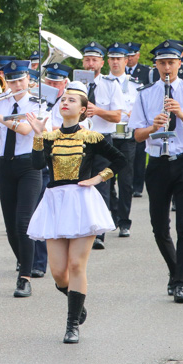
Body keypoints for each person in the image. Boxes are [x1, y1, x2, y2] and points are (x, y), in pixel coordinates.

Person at [26, 81, 126, 343]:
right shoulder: (49, 137)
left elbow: (121, 160)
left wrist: (99, 178)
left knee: (76, 265)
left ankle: (72, 325)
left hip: (82, 202)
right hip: (55, 202)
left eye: (72, 100)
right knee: (58, 273)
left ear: (83, 110)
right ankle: (78, 306)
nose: (65, 103)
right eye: (63, 99)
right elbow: (36, 166)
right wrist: (37, 135)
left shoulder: (91, 137)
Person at [128, 41, 183, 303]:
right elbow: (137, 137)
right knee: (159, 227)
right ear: (156, 65)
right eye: (162, 63)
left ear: (179, 64)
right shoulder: (145, 94)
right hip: (158, 163)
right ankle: (175, 273)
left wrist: (181, 114)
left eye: (171, 63)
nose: (166, 67)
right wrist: (153, 127)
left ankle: (181, 283)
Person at [0, 60, 42, 297]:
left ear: (28, 80)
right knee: (10, 226)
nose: (15, 84)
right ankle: (24, 261)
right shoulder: (0, 102)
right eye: (12, 80)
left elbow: (26, 129)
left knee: (23, 223)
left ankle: (25, 277)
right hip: (4, 165)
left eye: (19, 80)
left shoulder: (36, 102)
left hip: (29, 166)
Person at [29, 62, 73, 279]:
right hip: (38, 158)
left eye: (56, 81)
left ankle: (49, 259)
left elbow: (73, 127)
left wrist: (47, 128)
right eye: (49, 80)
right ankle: (33, 260)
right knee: (34, 211)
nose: (52, 84)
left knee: (54, 212)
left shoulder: (70, 101)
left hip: (59, 162)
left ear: (65, 83)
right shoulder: (38, 99)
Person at [81, 42, 126, 249]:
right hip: (79, 138)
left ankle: (99, 232)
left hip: (101, 139)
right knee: (79, 184)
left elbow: (117, 116)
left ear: (101, 62)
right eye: (87, 60)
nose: (90, 64)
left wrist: (97, 111)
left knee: (101, 184)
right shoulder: (76, 83)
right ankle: (82, 228)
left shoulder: (110, 84)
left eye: (94, 60)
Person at [105, 43, 140, 238]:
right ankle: (114, 214)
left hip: (126, 137)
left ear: (126, 61)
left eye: (119, 59)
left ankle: (124, 221)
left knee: (126, 181)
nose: (115, 62)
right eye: (112, 58)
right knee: (107, 179)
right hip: (108, 137)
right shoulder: (102, 83)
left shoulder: (135, 86)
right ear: (108, 61)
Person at [125, 42, 151, 198]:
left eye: (132, 55)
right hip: (125, 117)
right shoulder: (120, 73)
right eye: (127, 56)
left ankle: (137, 186)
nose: (129, 58)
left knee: (140, 154)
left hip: (141, 114)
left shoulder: (146, 71)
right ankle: (127, 183)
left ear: (138, 55)